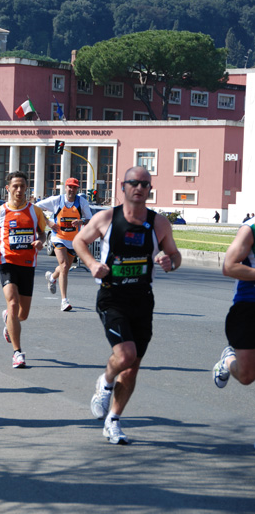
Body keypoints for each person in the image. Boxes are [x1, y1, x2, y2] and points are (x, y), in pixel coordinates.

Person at [73, 166, 181, 445]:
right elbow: (79, 241)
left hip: (142, 299)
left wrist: (170, 262)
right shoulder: (107, 218)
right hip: (112, 297)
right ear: (123, 186)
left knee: (132, 367)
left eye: (145, 184)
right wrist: (92, 263)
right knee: (125, 355)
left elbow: (174, 254)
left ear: (150, 189)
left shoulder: (158, 224)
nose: (140, 188)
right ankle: (105, 382)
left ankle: (113, 420)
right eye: (134, 183)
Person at [0, 171, 46, 368]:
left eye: (22, 186)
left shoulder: (35, 211)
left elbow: (42, 233)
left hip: (28, 264)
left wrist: (40, 241)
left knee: (23, 315)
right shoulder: (0, 211)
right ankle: (17, 353)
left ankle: (8, 321)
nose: (19, 190)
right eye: (15, 186)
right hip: (7, 262)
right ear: (8, 188)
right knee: (12, 303)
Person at [213, 215, 255, 394]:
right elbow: (229, 267)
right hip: (249, 304)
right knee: (246, 376)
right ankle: (228, 361)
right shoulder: (250, 229)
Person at [37, 178, 92, 312]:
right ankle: (64, 301)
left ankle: (51, 277)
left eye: (74, 188)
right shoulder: (57, 200)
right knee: (65, 265)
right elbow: (36, 207)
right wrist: (49, 222)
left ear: (77, 189)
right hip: (59, 237)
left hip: (74, 240)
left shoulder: (81, 202)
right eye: (70, 187)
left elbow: (90, 219)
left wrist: (81, 221)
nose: (72, 190)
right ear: (65, 188)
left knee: (64, 269)